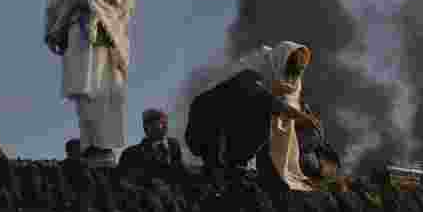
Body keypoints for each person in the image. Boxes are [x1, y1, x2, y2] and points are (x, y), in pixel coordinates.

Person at [44, 0, 136, 167]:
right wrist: (54, 28)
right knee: (83, 90)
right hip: (74, 30)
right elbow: (54, 0)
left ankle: (103, 146)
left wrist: (92, 1)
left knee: (102, 86)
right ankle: (90, 143)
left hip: (102, 30)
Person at [185, 41, 321, 192]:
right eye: (292, 68)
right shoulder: (253, 69)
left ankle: (236, 167)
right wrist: (301, 117)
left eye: (298, 71)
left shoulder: (285, 83)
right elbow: (266, 100)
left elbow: (292, 117)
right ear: (283, 60)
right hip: (205, 127)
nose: (293, 75)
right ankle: (218, 170)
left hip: (235, 138)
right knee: (263, 112)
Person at [118, 109, 185, 182]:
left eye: (166, 123)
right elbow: (124, 181)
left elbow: (180, 171)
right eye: (161, 123)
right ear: (148, 127)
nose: (166, 127)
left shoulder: (174, 145)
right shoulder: (130, 154)